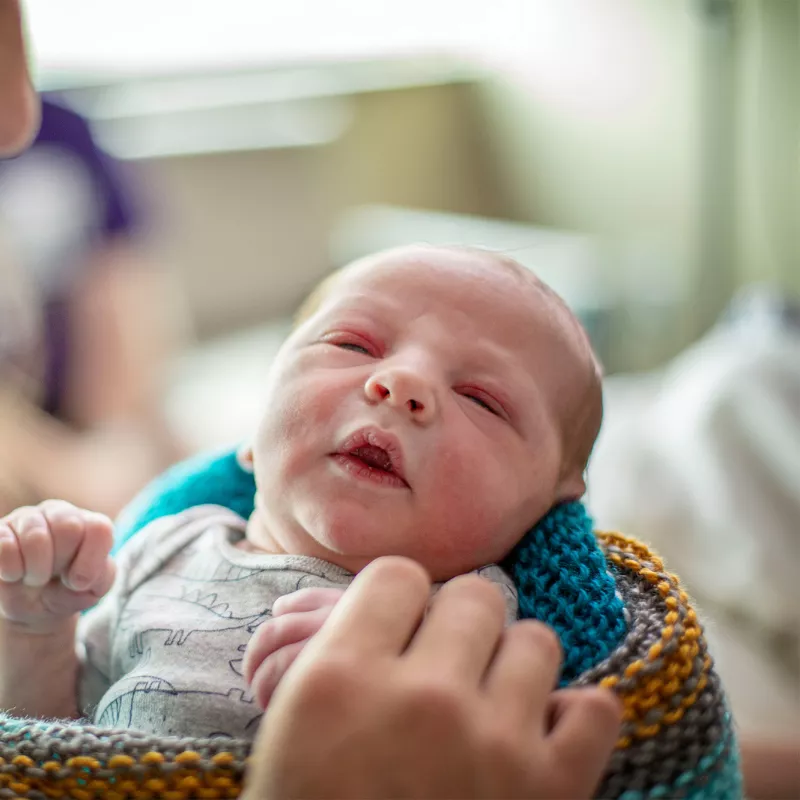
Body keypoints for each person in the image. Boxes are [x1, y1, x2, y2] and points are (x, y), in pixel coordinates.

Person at [1, 243, 603, 733]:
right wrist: (37, 632)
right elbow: (54, 737)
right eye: (351, 345)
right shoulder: (165, 547)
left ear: (545, 504)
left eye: (482, 400)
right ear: (253, 435)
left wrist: (391, 644)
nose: (401, 381)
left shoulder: (478, 612)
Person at [0, 88, 187, 519]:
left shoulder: (58, 128)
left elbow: (119, 282)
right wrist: (53, 467)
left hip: (81, 412)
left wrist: (119, 434)